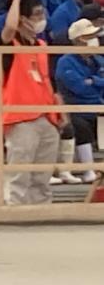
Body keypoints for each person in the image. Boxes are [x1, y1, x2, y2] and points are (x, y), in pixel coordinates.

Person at [0, 0, 59, 204]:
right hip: (21, 117)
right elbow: (9, 27)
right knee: (20, 172)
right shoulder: (10, 44)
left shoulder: (42, 45)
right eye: (36, 15)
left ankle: (43, 211)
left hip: (46, 116)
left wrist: (58, 114)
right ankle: (15, 212)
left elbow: (49, 81)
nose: (41, 19)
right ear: (23, 19)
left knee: (43, 175)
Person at [55, 17, 102, 185]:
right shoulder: (65, 62)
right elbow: (80, 88)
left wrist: (94, 81)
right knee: (80, 125)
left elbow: (93, 84)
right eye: (88, 37)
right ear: (78, 40)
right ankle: (89, 170)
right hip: (74, 107)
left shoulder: (97, 59)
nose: (94, 40)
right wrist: (96, 83)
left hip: (98, 104)